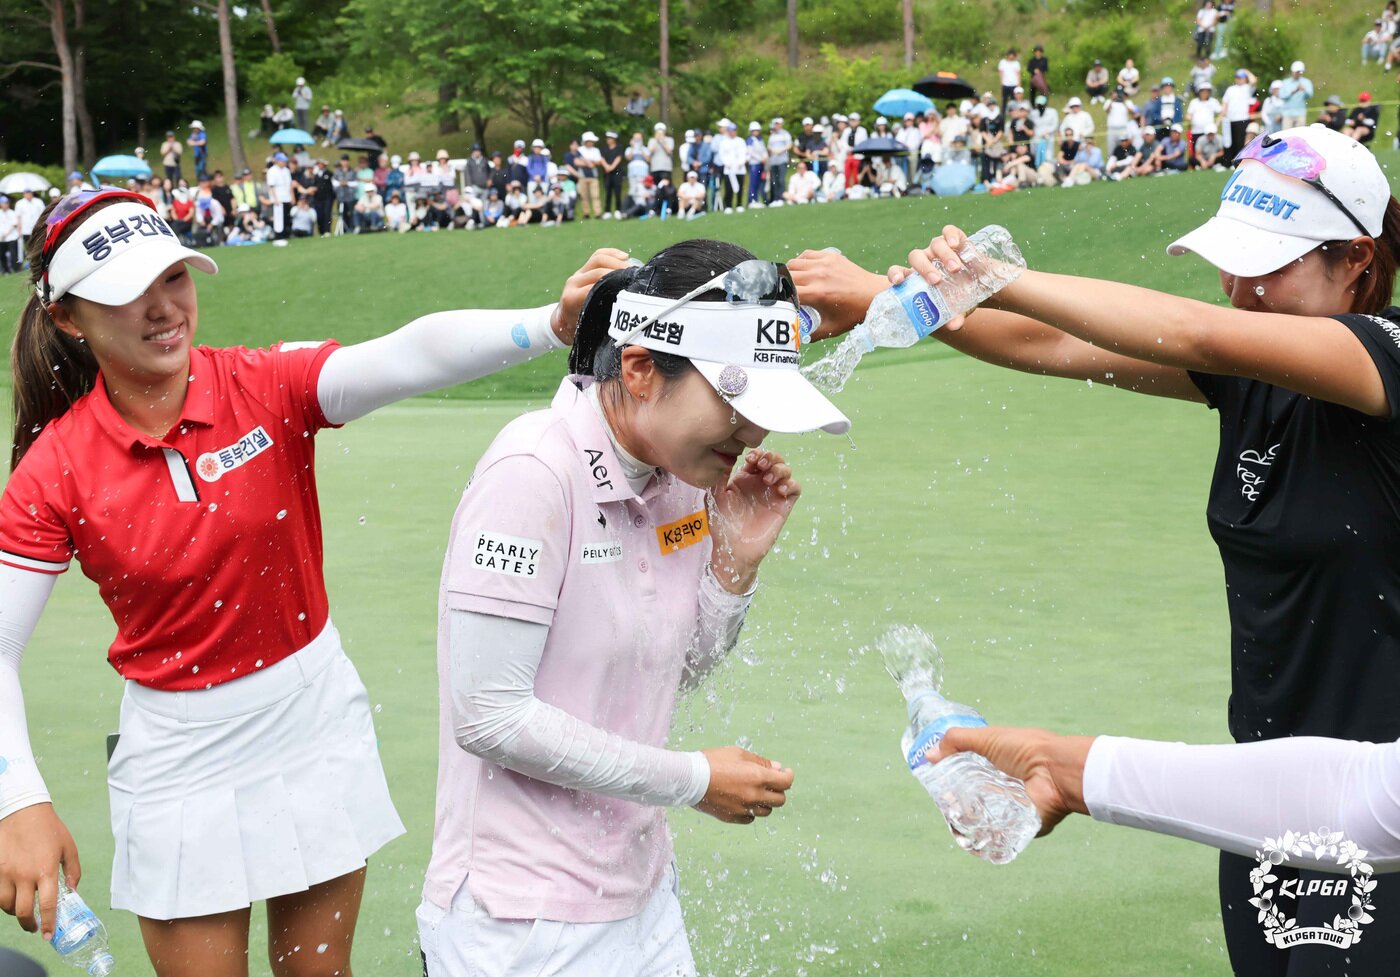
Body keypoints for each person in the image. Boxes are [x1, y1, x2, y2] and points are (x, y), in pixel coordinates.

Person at [803, 122, 1400, 977]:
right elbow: (1048, 345)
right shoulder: (1255, 381)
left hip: (1382, 805)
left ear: (1354, 259)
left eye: (1269, 264)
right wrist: (889, 301)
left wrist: (1000, 274)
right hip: (1257, 803)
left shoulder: (1389, 354)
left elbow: (1193, 332)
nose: (1237, 285)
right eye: (1230, 259)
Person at [0, 186, 633, 977]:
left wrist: (548, 323)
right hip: (178, 757)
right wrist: (16, 798)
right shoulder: (53, 469)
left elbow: (405, 354)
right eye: (129, 292)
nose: (164, 308)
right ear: (68, 317)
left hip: (311, 716)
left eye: (174, 278)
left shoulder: (263, 384)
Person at [416, 238, 848, 977]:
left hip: (641, 896)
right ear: (642, 367)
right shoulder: (532, 473)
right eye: (735, 404)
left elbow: (667, 670)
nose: (753, 435)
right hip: (519, 922)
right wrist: (695, 779)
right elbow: (489, 714)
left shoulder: (679, 475)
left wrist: (731, 569)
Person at [1219, 68, 1256, 163]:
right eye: (1237, 77)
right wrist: (1220, 118)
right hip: (1230, 120)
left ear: (1245, 78)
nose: (1239, 79)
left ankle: (1241, 162)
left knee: (1240, 143)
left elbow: (1254, 80)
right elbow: (1225, 104)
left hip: (1242, 119)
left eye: (1241, 77)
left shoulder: (1247, 88)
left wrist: (1246, 71)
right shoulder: (1230, 89)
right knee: (1229, 143)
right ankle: (1229, 162)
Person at [265, 152, 294, 239]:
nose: (284, 163)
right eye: (283, 161)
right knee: (278, 219)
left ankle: (286, 235)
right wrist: (275, 199)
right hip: (278, 199)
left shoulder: (286, 170)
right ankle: (279, 236)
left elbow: (289, 185)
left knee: (286, 218)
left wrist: (291, 196)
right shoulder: (272, 171)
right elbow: (271, 186)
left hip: (286, 198)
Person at [575, 132, 603, 219]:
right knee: (584, 196)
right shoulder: (580, 150)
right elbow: (577, 162)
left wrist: (591, 161)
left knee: (595, 195)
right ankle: (586, 213)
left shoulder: (596, 150)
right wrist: (587, 163)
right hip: (582, 176)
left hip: (593, 176)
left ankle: (597, 213)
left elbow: (598, 162)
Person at [1279, 61, 1313, 129]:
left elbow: (1310, 95)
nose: (1297, 74)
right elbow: (1282, 96)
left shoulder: (1306, 82)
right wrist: (1293, 91)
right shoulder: (1285, 82)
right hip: (1287, 113)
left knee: (1300, 134)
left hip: (1300, 113)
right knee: (1286, 135)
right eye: (1296, 72)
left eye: (1299, 72)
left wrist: (1304, 90)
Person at [600, 131, 626, 220]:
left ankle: (618, 210)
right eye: (607, 138)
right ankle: (607, 211)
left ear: (614, 139)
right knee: (608, 192)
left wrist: (611, 167)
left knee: (617, 191)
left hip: (617, 173)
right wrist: (607, 166)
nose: (608, 140)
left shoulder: (619, 148)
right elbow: (602, 159)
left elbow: (618, 158)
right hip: (607, 173)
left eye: (610, 138)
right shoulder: (604, 149)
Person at [766, 118, 792, 205]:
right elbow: (769, 147)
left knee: (781, 179)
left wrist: (781, 150)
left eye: (778, 124)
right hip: (773, 161)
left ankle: (782, 197)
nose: (777, 126)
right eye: (776, 124)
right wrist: (772, 150)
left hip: (782, 160)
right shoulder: (772, 136)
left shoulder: (785, 134)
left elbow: (789, 145)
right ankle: (776, 199)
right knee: (774, 180)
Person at [647, 123, 674, 188]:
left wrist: (662, 141)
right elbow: (650, 151)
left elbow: (669, 151)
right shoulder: (652, 140)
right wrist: (656, 140)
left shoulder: (669, 139)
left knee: (666, 187)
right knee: (655, 187)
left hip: (666, 168)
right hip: (655, 168)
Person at [0, 199, 19, 274]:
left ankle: (15, 269)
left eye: (6, 203)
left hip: (11, 237)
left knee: (13, 254)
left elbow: (14, 225)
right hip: (1, 239)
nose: (5, 205)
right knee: (1, 255)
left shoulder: (12, 213)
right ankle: (5, 270)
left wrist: (6, 234)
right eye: (3, 203)